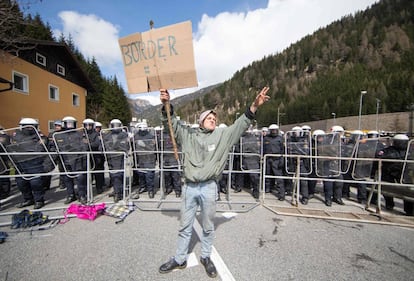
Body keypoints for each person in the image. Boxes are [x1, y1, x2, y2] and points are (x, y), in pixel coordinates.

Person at [159, 86, 270, 278]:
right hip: (189, 187)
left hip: (210, 187)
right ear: (201, 121)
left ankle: (205, 257)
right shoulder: (188, 134)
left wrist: (253, 106)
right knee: (185, 225)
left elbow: (240, 125)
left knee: (208, 226)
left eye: (214, 119)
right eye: (209, 118)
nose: (213, 120)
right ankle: (179, 259)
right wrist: (166, 104)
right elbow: (172, 123)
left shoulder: (222, 136)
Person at [8, 118, 48, 209]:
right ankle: (28, 199)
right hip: (20, 163)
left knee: (36, 183)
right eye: (27, 127)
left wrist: (22, 148)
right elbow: (10, 148)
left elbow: (40, 149)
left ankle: (39, 200)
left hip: (34, 163)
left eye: (31, 127)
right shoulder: (15, 136)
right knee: (21, 183)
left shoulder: (40, 136)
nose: (29, 129)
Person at [101, 119, 130, 203]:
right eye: (114, 125)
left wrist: (120, 149)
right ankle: (117, 190)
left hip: (120, 157)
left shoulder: (124, 134)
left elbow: (126, 145)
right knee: (113, 176)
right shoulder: (107, 135)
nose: (116, 127)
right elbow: (102, 145)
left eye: (117, 125)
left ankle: (119, 193)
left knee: (119, 175)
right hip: (110, 158)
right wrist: (103, 150)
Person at [263, 123, 285, 199]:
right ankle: (267, 188)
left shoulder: (280, 139)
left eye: (275, 130)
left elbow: (283, 150)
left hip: (277, 159)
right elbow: (263, 149)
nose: (274, 131)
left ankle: (281, 194)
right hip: (268, 158)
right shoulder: (266, 138)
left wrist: (282, 160)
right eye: (272, 130)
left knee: (278, 177)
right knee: (267, 174)